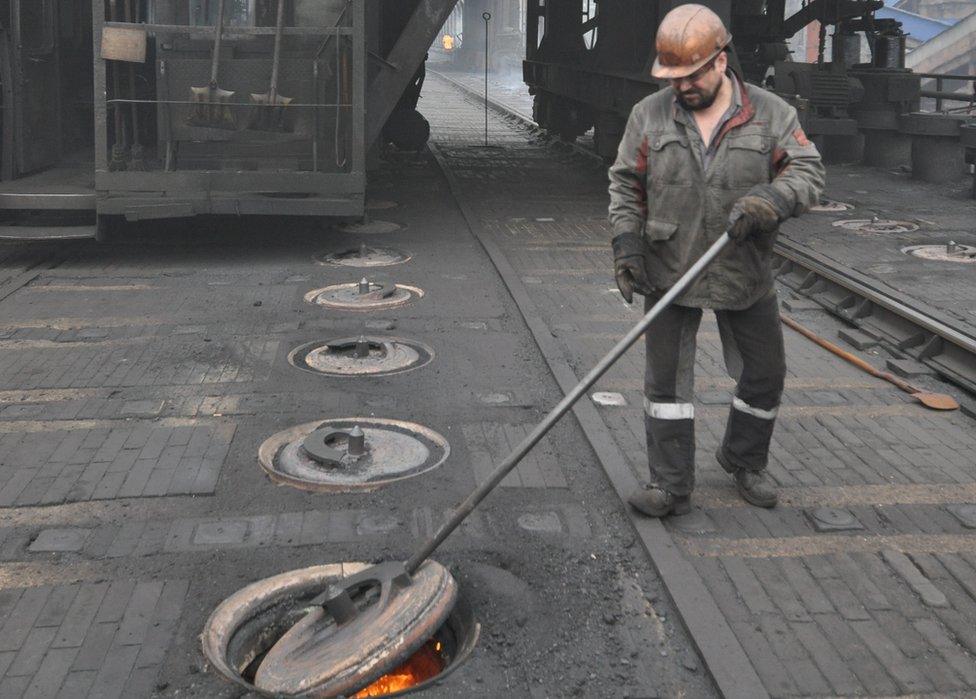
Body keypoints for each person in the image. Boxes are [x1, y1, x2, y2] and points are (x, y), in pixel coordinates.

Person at [607, 4, 825, 517]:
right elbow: (625, 184)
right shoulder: (650, 115)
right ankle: (670, 484)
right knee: (666, 387)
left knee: (766, 373)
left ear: (720, 62)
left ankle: (744, 459)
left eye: (690, 75)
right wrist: (625, 245)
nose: (680, 86)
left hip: (742, 265)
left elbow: (808, 173)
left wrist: (770, 201)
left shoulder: (771, 114)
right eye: (673, 77)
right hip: (670, 265)